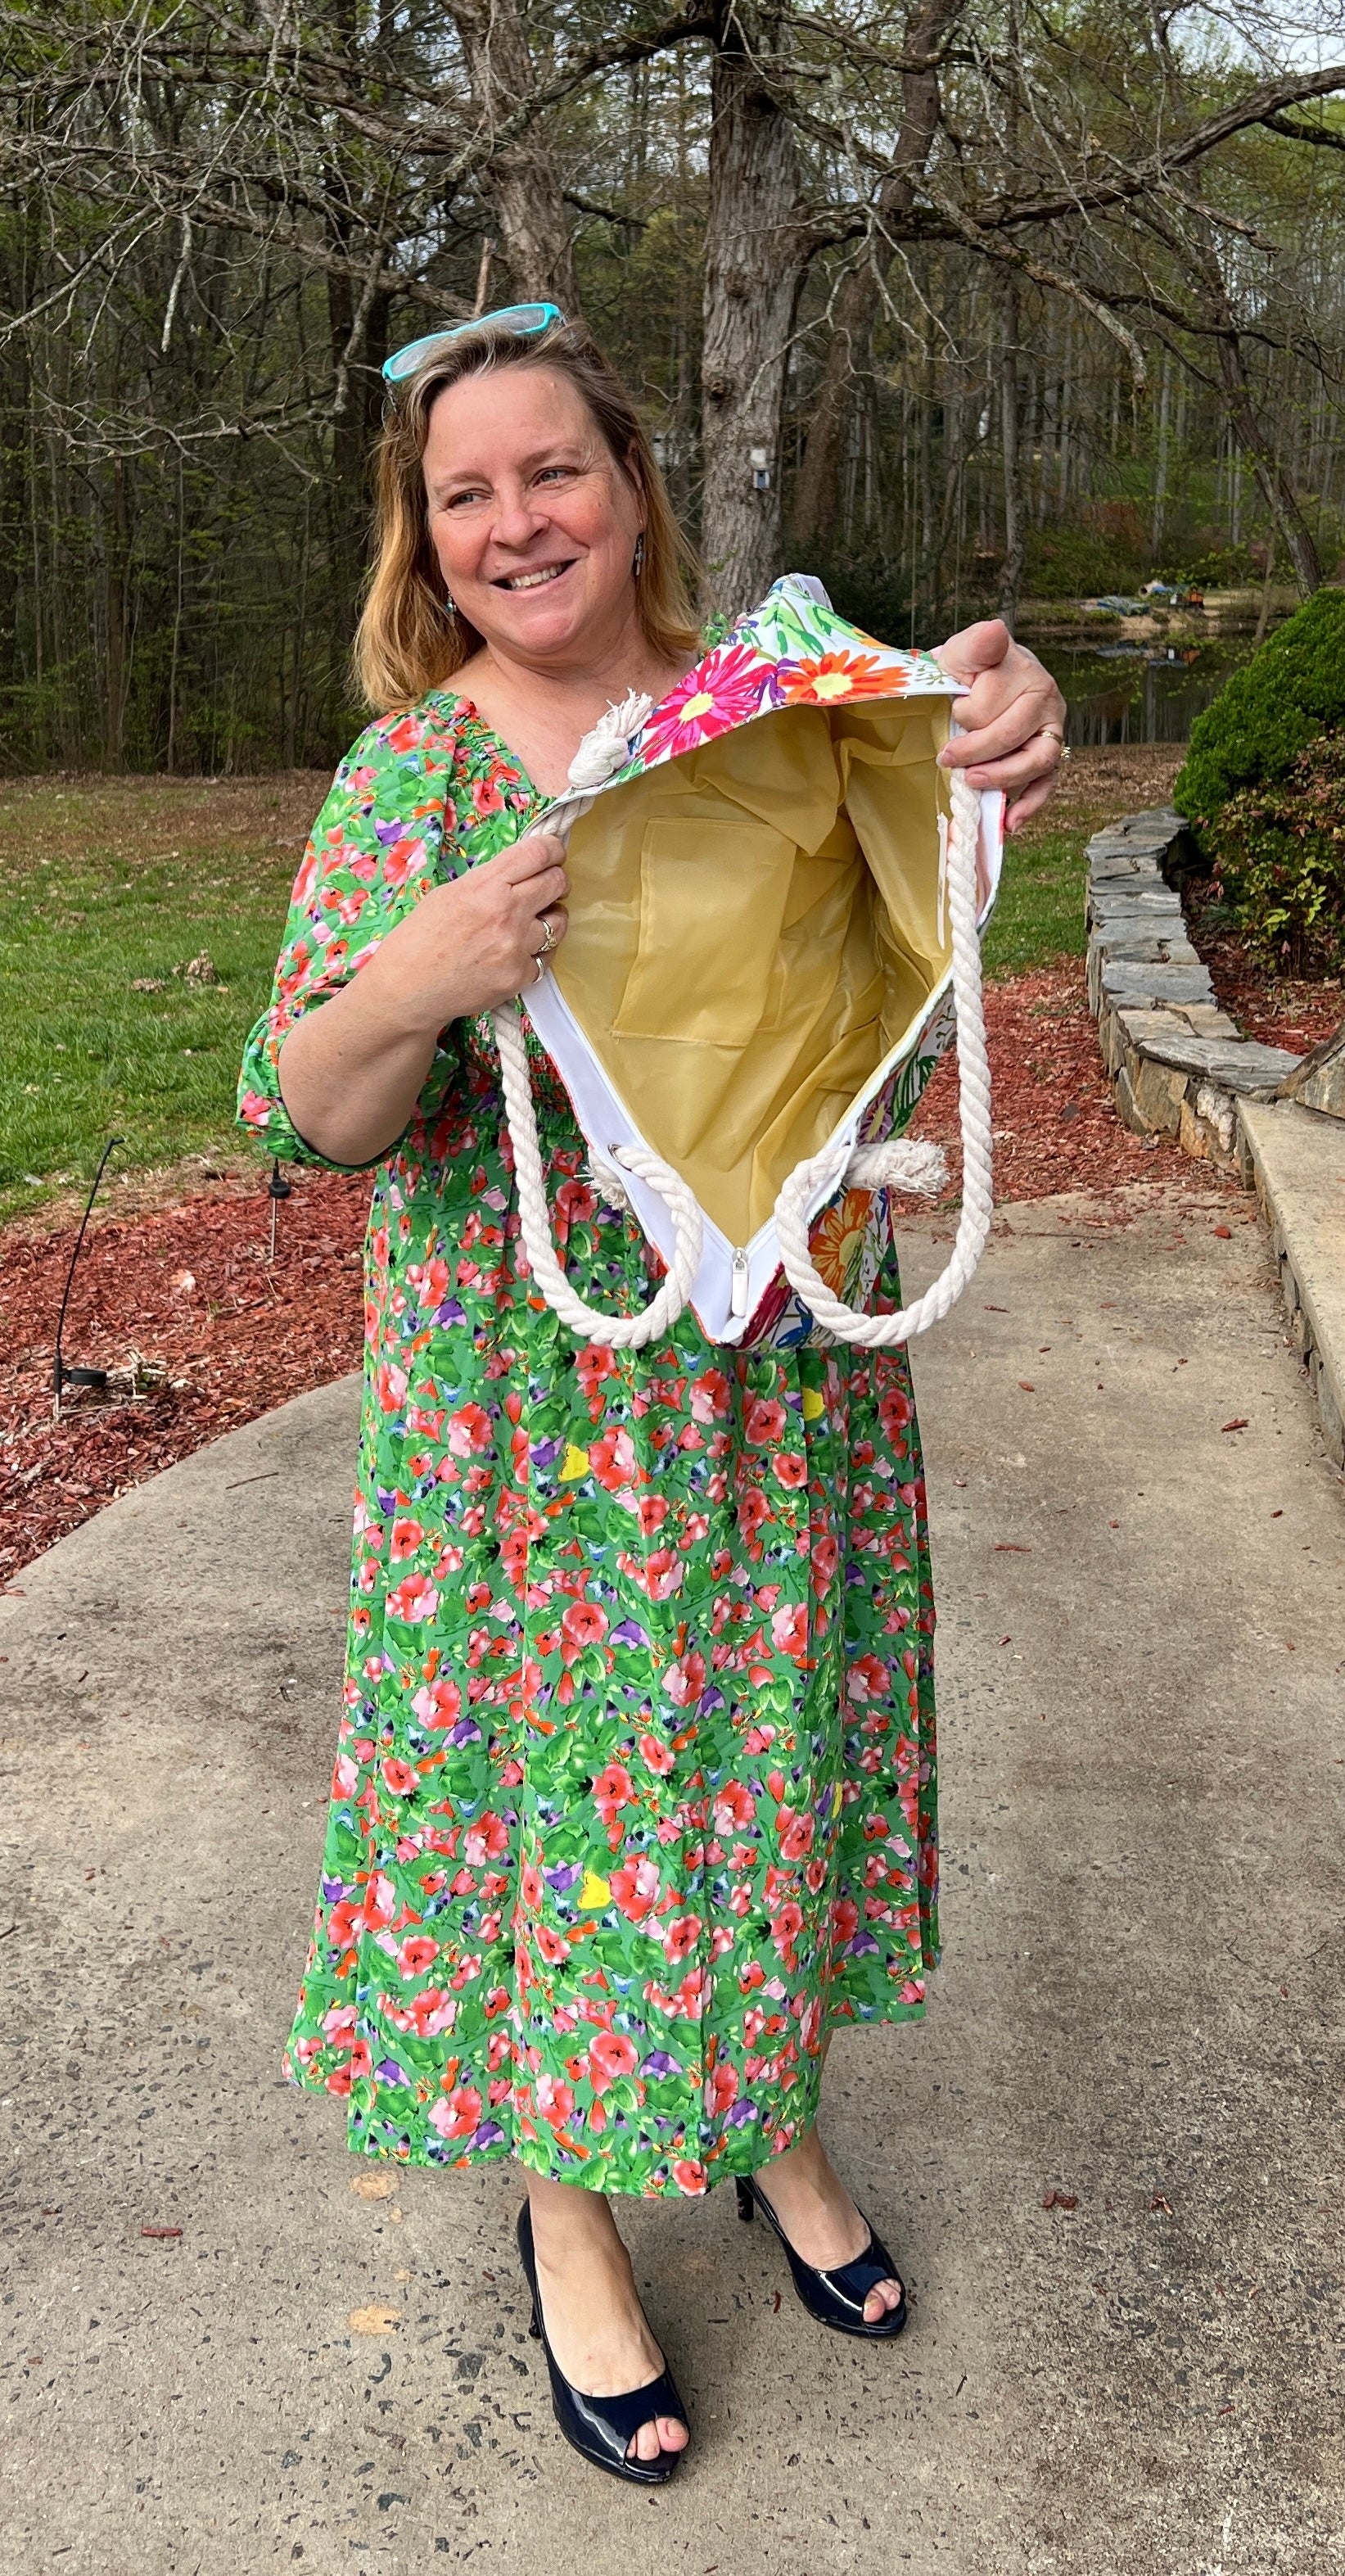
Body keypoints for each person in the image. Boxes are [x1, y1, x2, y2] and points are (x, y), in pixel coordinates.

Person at [238, 307, 1067, 2486]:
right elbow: (310, 1112)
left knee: (760, 1758)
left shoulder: (779, 708)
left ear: (630, 486)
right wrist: (416, 975)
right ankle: (570, 2209)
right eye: (467, 493)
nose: (517, 522)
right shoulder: (413, 779)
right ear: (424, 539)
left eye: (554, 472)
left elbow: (893, 940)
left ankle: (768, 2110)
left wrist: (986, 745)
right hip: (536, 1423)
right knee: (560, 1798)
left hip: (772, 1378)